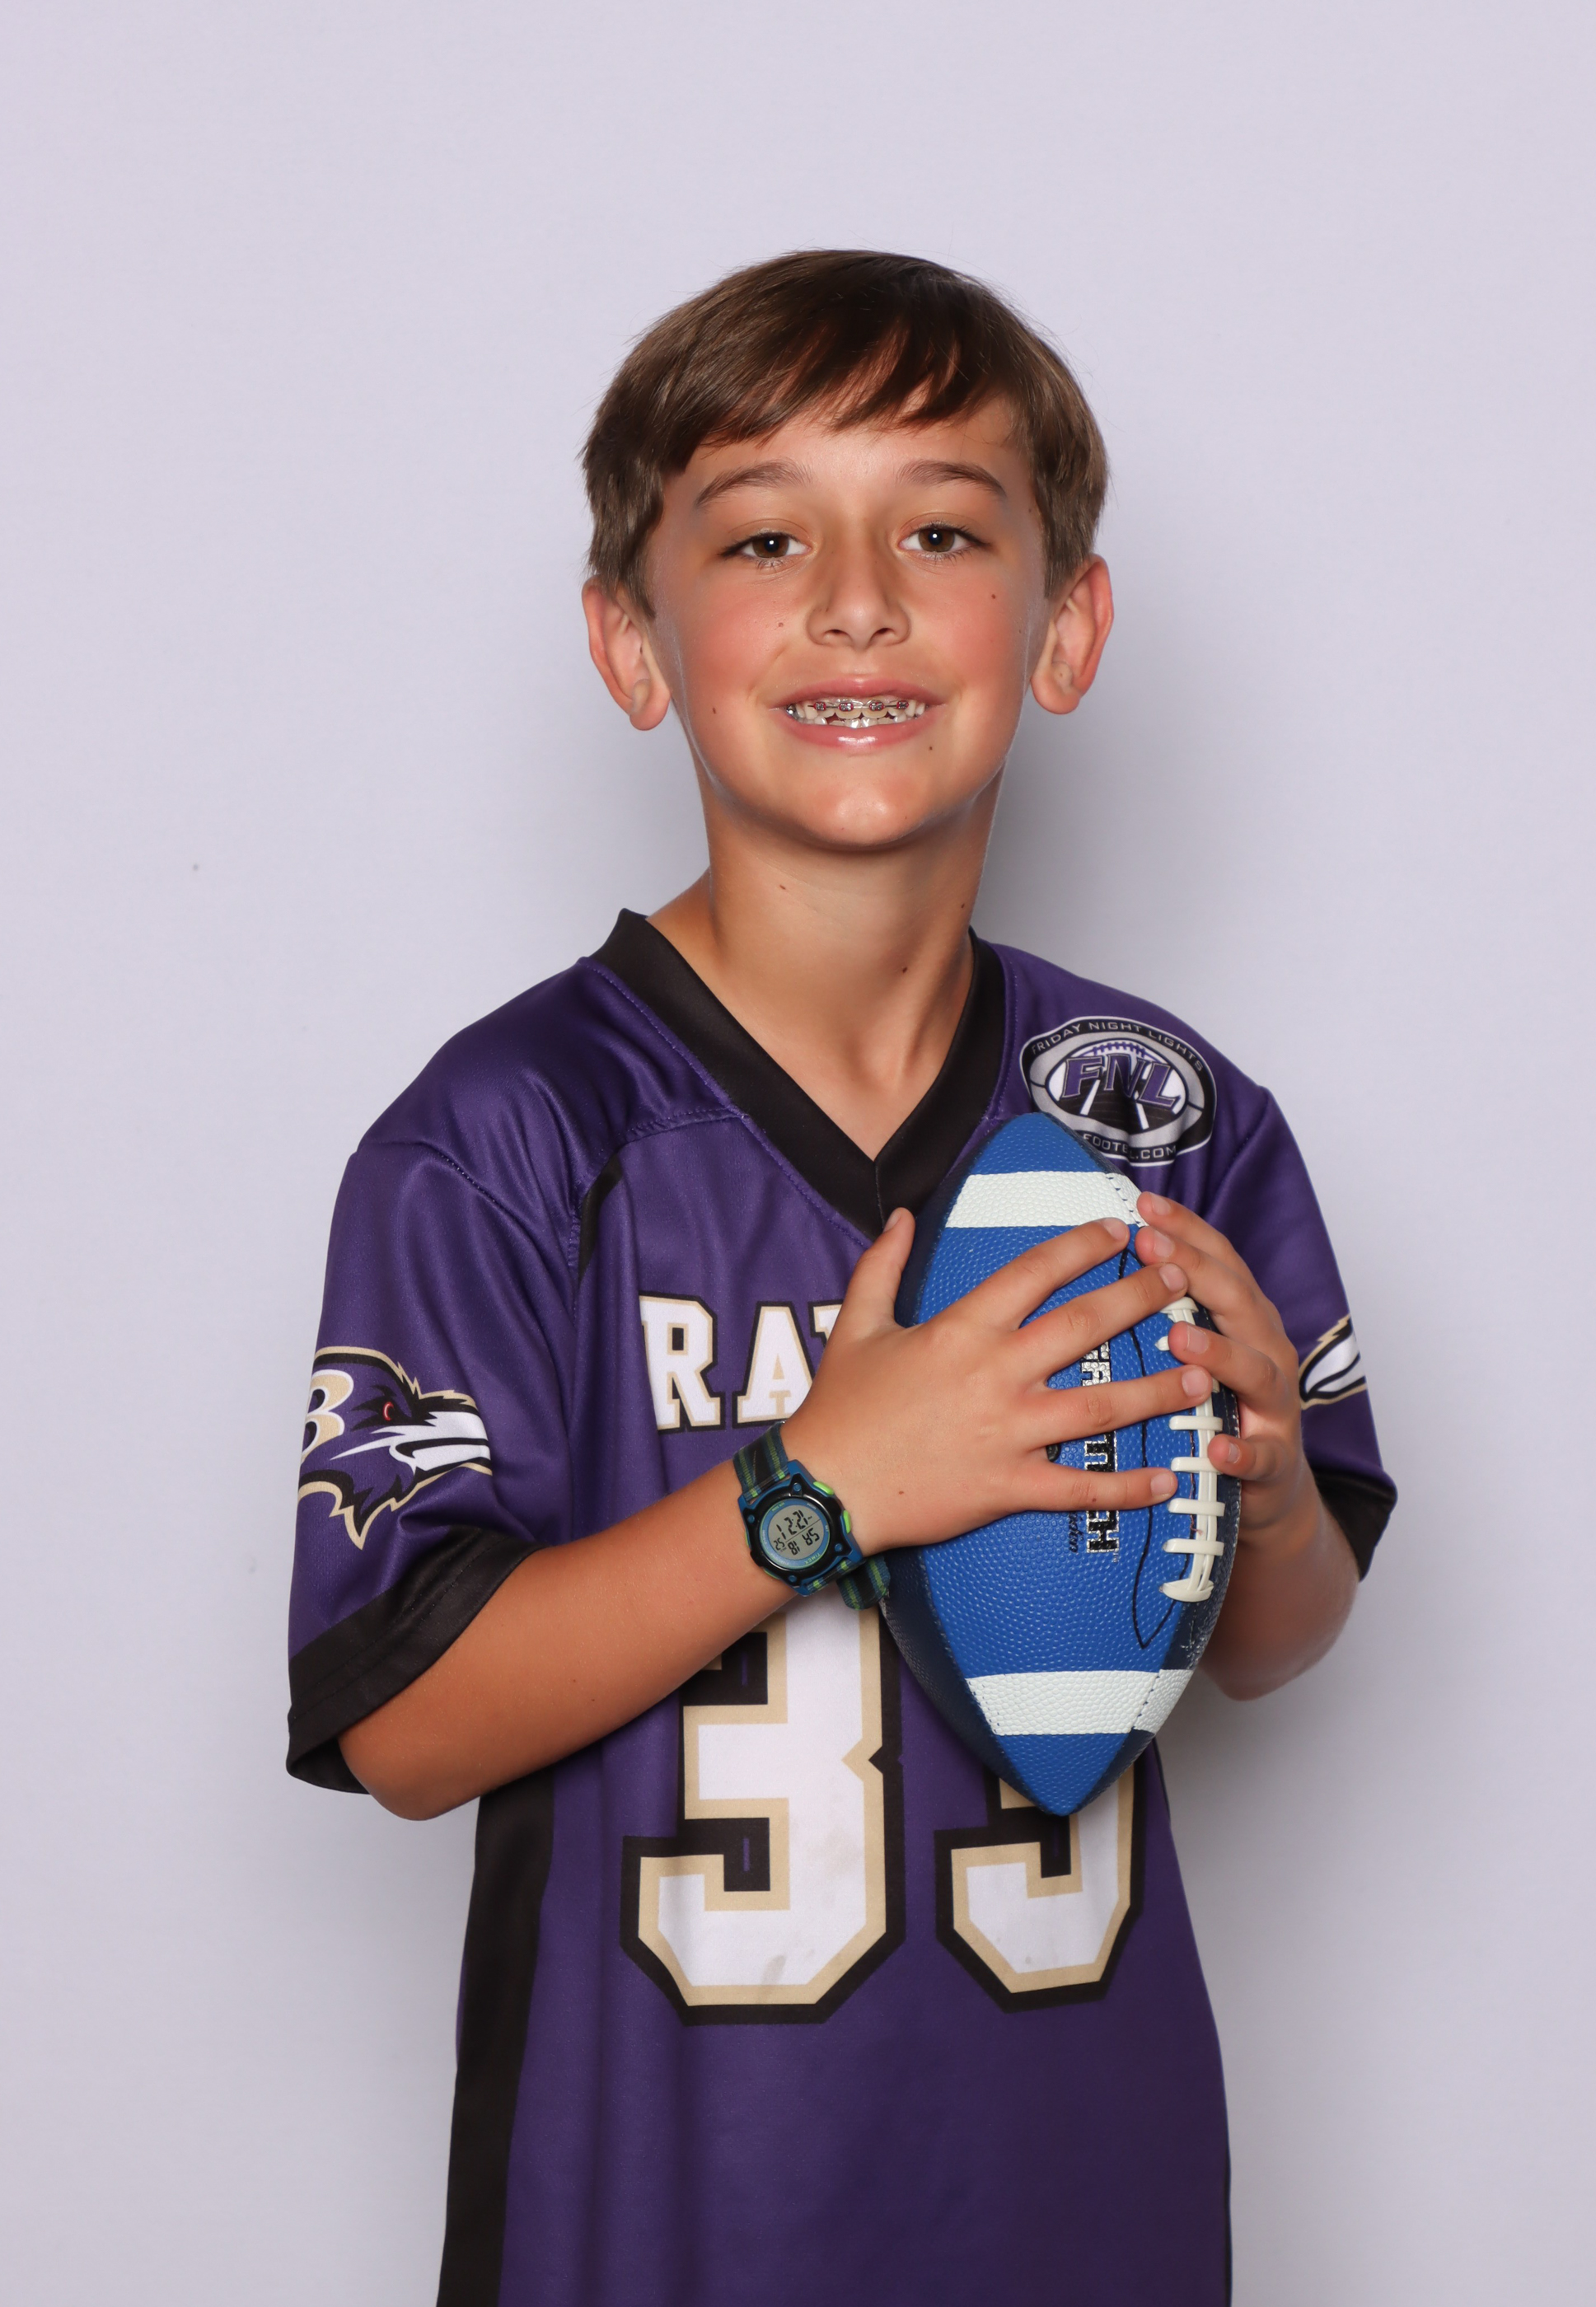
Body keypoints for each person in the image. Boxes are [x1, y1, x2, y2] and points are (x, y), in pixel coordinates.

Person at [287, 250, 1394, 2307]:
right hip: (660, 2225)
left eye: (944, 531)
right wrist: (817, 1489)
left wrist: (1258, 1494)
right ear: (632, 641)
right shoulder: (512, 1131)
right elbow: (401, 1729)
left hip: (1091, 2204)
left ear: (1065, 625)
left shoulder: (1159, 1117)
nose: (859, 598)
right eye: (764, 536)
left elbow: (1274, 1640)